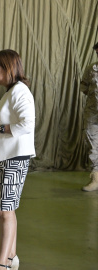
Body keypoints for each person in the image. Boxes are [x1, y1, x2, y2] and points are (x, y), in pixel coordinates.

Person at [0, 49, 35, 270]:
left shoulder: (20, 92)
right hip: (5, 158)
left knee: (6, 212)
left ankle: (1, 265)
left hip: (14, 159)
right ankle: (11, 259)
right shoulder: (11, 91)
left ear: (8, 68)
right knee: (5, 211)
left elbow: (27, 125)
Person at [81, 42, 98, 192]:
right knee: (92, 144)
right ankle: (95, 178)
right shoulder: (92, 68)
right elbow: (84, 87)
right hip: (93, 113)